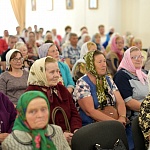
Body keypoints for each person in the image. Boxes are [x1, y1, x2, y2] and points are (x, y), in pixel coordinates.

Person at [26, 56, 82, 144]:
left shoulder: (61, 89)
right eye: (52, 72)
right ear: (41, 73)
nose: (57, 75)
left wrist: (75, 130)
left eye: (58, 71)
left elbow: (74, 114)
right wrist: (58, 136)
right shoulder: (30, 94)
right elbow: (31, 127)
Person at [2, 91, 71, 150]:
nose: (40, 115)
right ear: (22, 115)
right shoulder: (11, 142)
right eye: (32, 111)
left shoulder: (57, 131)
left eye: (43, 109)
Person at [73, 50, 126, 127]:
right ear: (91, 65)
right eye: (99, 62)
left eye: (104, 61)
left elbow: (120, 101)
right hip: (92, 125)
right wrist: (115, 122)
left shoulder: (108, 80)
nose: (104, 65)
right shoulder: (82, 83)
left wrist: (122, 117)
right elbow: (90, 111)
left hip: (114, 121)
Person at [114, 46, 149, 150]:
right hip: (136, 119)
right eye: (134, 57)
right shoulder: (122, 76)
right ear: (127, 59)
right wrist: (147, 110)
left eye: (140, 56)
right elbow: (128, 102)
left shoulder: (145, 74)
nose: (138, 59)